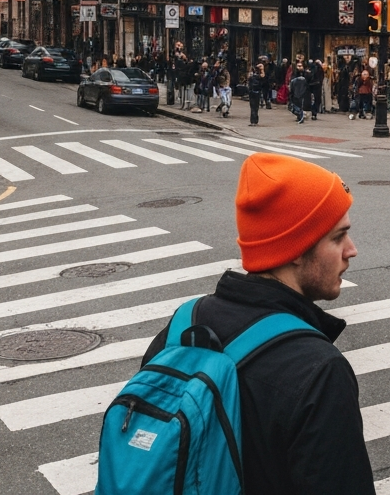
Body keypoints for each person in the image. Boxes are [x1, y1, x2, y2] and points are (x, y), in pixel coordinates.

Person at [138, 153, 373, 494]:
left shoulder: (183, 325)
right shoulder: (318, 370)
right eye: (338, 237)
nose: (351, 250)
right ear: (296, 247)